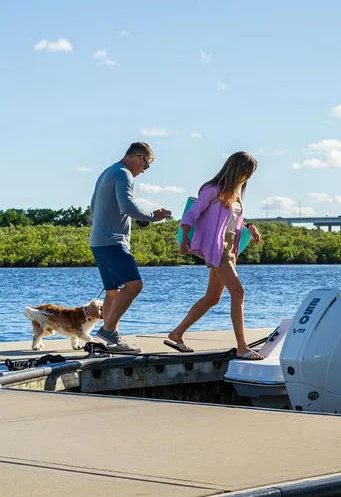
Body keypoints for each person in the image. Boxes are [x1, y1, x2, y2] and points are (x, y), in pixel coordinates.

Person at [165, 151, 264, 359]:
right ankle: (242, 347)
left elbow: (230, 220)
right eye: (248, 172)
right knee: (238, 293)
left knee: (212, 298)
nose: (249, 177)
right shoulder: (212, 190)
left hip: (230, 249)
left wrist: (250, 227)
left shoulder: (235, 194)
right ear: (238, 169)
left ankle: (177, 334)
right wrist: (183, 239)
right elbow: (192, 214)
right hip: (217, 249)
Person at [89, 142, 171, 352]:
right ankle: (108, 332)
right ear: (138, 157)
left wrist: (129, 218)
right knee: (134, 285)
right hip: (112, 241)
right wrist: (153, 216)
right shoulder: (124, 174)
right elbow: (127, 205)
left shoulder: (108, 171)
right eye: (146, 166)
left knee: (112, 291)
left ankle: (103, 342)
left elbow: (95, 206)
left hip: (98, 240)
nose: (143, 171)